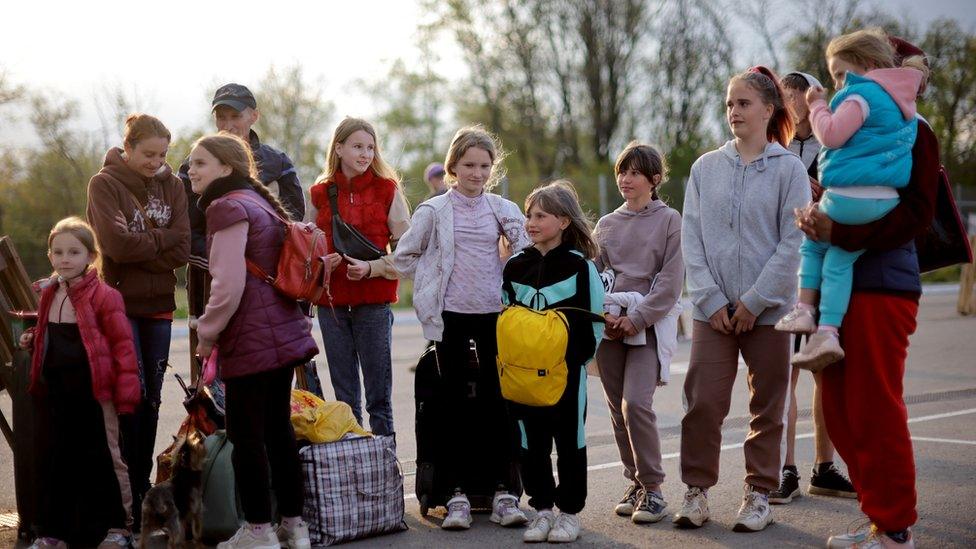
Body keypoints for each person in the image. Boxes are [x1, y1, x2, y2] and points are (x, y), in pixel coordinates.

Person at [798, 36, 934, 549]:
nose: (840, 87)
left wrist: (842, 234)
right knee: (838, 408)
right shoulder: (850, 126)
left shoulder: (913, 130)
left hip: (882, 285)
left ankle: (895, 528)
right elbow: (831, 192)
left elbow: (917, 215)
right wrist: (813, 216)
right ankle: (879, 517)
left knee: (874, 406)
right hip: (837, 286)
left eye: (843, 76)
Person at [675, 66, 809, 533]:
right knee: (702, 404)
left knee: (767, 408)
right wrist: (711, 300)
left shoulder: (789, 169)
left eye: (744, 103)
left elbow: (792, 243)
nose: (734, 111)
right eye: (730, 103)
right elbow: (691, 238)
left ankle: (758, 495)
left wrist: (753, 301)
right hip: (712, 312)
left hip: (769, 313)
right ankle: (696, 491)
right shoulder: (705, 167)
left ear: (769, 110)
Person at [188, 133, 325, 549]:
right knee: (278, 432)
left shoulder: (225, 207)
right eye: (191, 163)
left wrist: (206, 334)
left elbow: (227, 286)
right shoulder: (258, 200)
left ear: (226, 169)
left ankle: (258, 531)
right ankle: (294, 526)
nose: (191, 170)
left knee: (247, 437)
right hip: (281, 330)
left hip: (250, 335)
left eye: (200, 163)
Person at [394, 125, 532, 531]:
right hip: (450, 318)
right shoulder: (434, 211)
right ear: (453, 166)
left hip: (495, 316)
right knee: (451, 406)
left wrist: (513, 255)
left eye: (485, 166)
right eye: (469, 165)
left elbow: (531, 249)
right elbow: (405, 257)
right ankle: (454, 495)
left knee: (499, 402)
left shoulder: (500, 208)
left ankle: (504, 493)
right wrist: (380, 268)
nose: (477, 173)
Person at [776, 29, 927, 371]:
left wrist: (817, 106)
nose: (841, 84)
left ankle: (805, 310)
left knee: (814, 246)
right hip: (882, 201)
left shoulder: (860, 96)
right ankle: (828, 330)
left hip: (852, 204)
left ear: (869, 65)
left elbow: (830, 134)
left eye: (842, 74)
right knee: (838, 261)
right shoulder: (905, 111)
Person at [85, 113, 190, 528]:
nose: (156, 162)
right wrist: (159, 243)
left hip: (160, 306)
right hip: (119, 305)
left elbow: (182, 247)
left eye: (163, 154)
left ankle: (143, 490)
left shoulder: (174, 185)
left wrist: (146, 244)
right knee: (129, 395)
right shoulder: (104, 184)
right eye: (148, 154)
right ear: (127, 149)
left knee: (152, 400)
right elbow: (113, 246)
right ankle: (123, 492)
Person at [21, 217, 141, 549]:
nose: (65, 259)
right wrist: (34, 339)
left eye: (74, 252)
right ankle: (55, 531)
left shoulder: (105, 296)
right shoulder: (49, 293)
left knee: (105, 457)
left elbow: (122, 347)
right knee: (58, 458)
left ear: (90, 256)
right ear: (49, 256)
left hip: (94, 392)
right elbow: (53, 333)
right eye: (57, 252)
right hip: (57, 392)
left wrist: (126, 395)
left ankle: (120, 527)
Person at [179, 83, 307, 385]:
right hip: (208, 282)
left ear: (254, 116)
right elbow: (188, 230)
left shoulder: (277, 162)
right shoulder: (194, 166)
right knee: (210, 381)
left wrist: (254, 257)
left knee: (275, 382)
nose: (227, 125)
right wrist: (228, 259)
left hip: (272, 284)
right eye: (220, 117)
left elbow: (293, 221)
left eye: (234, 115)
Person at [501, 181, 605, 543]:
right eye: (529, 214)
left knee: (569, 440)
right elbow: (507, 317)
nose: (531, 222)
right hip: (522, 376)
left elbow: (594, 323)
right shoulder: (515, 266)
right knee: (531, 443)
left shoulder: (581, 267)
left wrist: (576, 362)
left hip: (565, 374)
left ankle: (569, 513)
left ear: (563, 221)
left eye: (540, 215)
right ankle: (542, 509)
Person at [770, 71, 855, 505]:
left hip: (824, 268)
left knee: (824, 370)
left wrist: (823, 195)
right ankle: (786, 469)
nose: (792, 98)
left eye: (797, 91)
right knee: (786, 376)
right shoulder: (775, 150)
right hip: (786, 270)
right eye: (785, 92)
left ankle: (825, 466)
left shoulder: (833, 142)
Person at [593, 142, 683, 525]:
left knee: (637, 405)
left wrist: (638, 317)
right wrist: (603, 314)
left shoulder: (669, 220)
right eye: (621, 172)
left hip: (645, 327)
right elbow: (594, 275)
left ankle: (655, 489)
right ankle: (635, 483)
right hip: (609, 326)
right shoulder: (606, 224)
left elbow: (671, 280)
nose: (625, 179)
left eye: (634, 173)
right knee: (616, 410)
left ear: (655, 179)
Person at [306, 117, 410, 436]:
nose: (365, 154)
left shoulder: (387, 190)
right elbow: (304, 251)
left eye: (370, 147)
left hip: (374, 305)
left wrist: (371, 269)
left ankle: (384, 464)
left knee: (379, 398)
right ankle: (354, 465)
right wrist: (324, 261)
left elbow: (408, 254)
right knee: (346, 398)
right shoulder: (319, 193)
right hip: (333, 307)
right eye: (357, 146)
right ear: (339, 148)